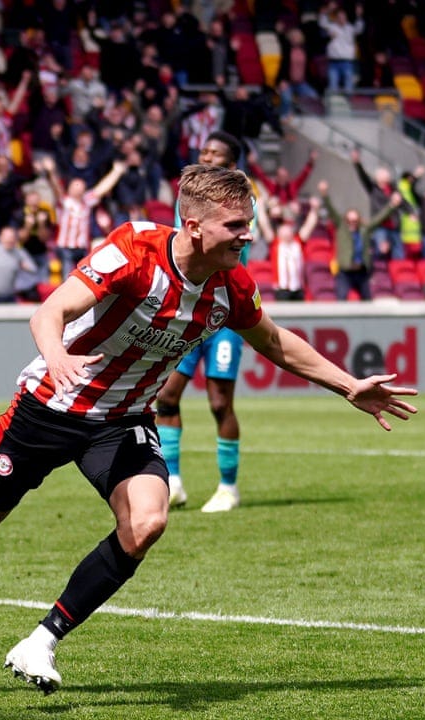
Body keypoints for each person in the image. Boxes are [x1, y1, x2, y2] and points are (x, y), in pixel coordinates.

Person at [0, 164, 418, 697]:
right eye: (236, 226)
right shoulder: (134, 250)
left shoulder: (229, 284)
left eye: (248, 224)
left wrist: (348, 385)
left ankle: (40, 642)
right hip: (51, 407)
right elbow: (49, 311)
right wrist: (55, 356)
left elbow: (273, 341)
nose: (248, 236)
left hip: (122, 421)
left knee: (146, 521)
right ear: (194, 227)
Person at [157, 130, 249, 513]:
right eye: (204, 151)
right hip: (188, 314)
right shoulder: (193, 203)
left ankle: (228, 487)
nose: (207, 156)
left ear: (231, 165)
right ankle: (173, 482)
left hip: (223, 315)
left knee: (217, 402)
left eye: (216, 154)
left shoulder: (239, 203)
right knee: (165, 396)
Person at [319, 179, 402, 302]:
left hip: (361, 271)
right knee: (341, 298)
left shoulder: (364, 230)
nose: (352, 223)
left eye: (355, 221)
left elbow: (379, 219)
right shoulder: (342, 228)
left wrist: (391, 206)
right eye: (350, 221)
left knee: (367, 300)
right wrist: (324, 194)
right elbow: (331, 211)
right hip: (345, 271)